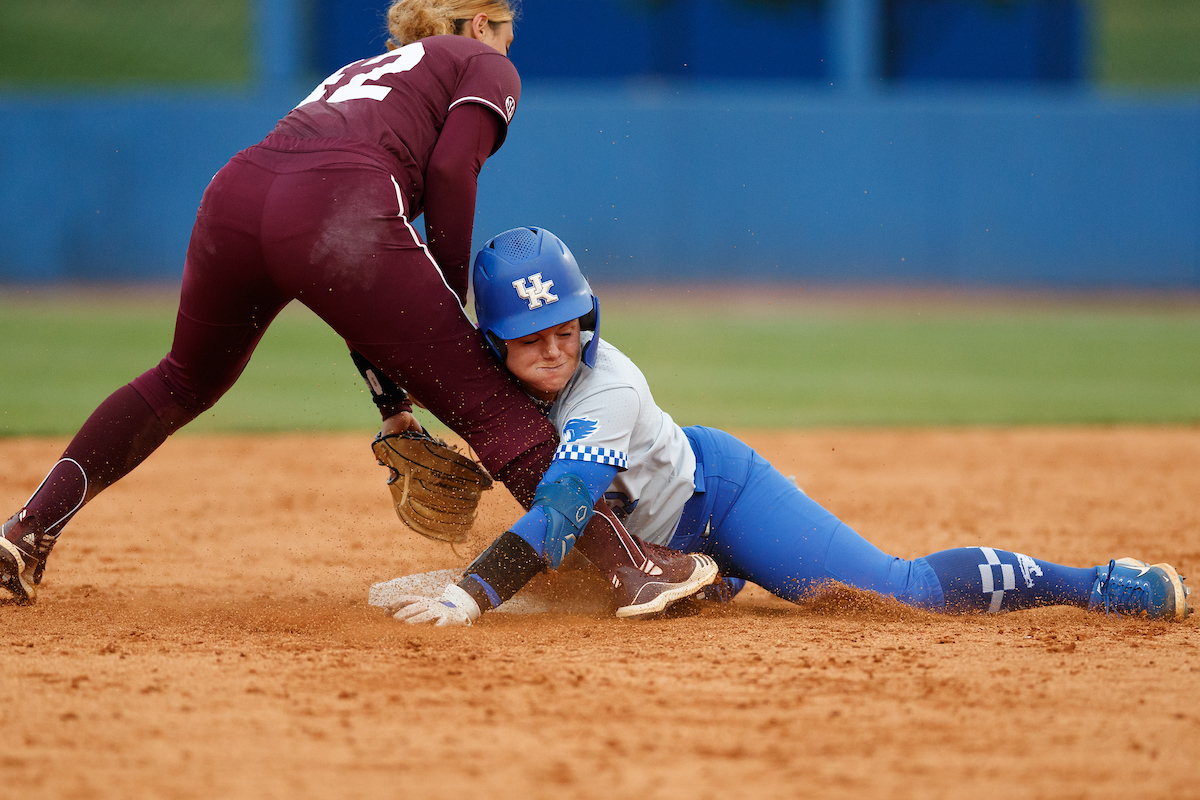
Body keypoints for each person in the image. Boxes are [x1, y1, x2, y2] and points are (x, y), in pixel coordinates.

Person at [2, 1, 559, 604]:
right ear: (480, 25)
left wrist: (393, 406)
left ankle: (26, 530)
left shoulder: (360, 77)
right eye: (506, 32)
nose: (507, 48)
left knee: (183, 380)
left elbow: (360, 281)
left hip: (238, 196)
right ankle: (620, 562)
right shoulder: (484, 62)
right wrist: (452, 304)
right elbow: (451, 170)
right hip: (333, 200)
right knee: (490, 406)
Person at [387, 226, 1193, 626]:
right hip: (650, 525)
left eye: (569, 325)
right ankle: (709, 574)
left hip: (723, 496)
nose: (558, 346)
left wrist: (474, 592)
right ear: (495, 343)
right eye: (533, 337)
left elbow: (564, 507)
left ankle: (1101, 585)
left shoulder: (609, 390)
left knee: (895, 593)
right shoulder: (490, 385)